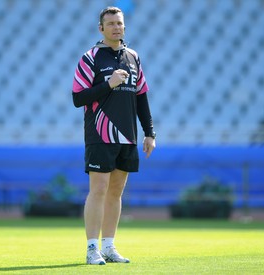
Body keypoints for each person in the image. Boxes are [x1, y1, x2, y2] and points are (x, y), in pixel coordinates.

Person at [72, 6, 156, 265]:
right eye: (110, 24)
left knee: (116, 191)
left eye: (119, 23)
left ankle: (109, 246)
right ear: (101, 28)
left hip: (127, 136)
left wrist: (149, 133)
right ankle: (91, 248)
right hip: (100, 134)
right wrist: (108, 84)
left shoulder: (133, 57)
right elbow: (78, 98)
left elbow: (141, 98)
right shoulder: (90, 57)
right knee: (98, 190)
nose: (116, 27)